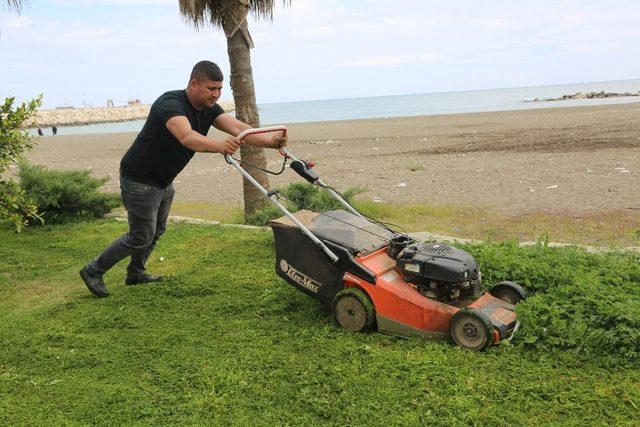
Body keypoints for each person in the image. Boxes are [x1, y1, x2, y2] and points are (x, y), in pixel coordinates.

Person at [79, 60, 287, 297]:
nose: (216, 94)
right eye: (211, 88)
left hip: (163, 180)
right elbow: (186, 137)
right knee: (140, 235)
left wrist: (270, 141)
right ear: (194, 83)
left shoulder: (209, 109)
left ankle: (135, 273)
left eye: (219, 89)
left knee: (157, 230)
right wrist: (220, 146)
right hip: (139, 179)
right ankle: (93, 270)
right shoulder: (170, 104)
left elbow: (239, 128)